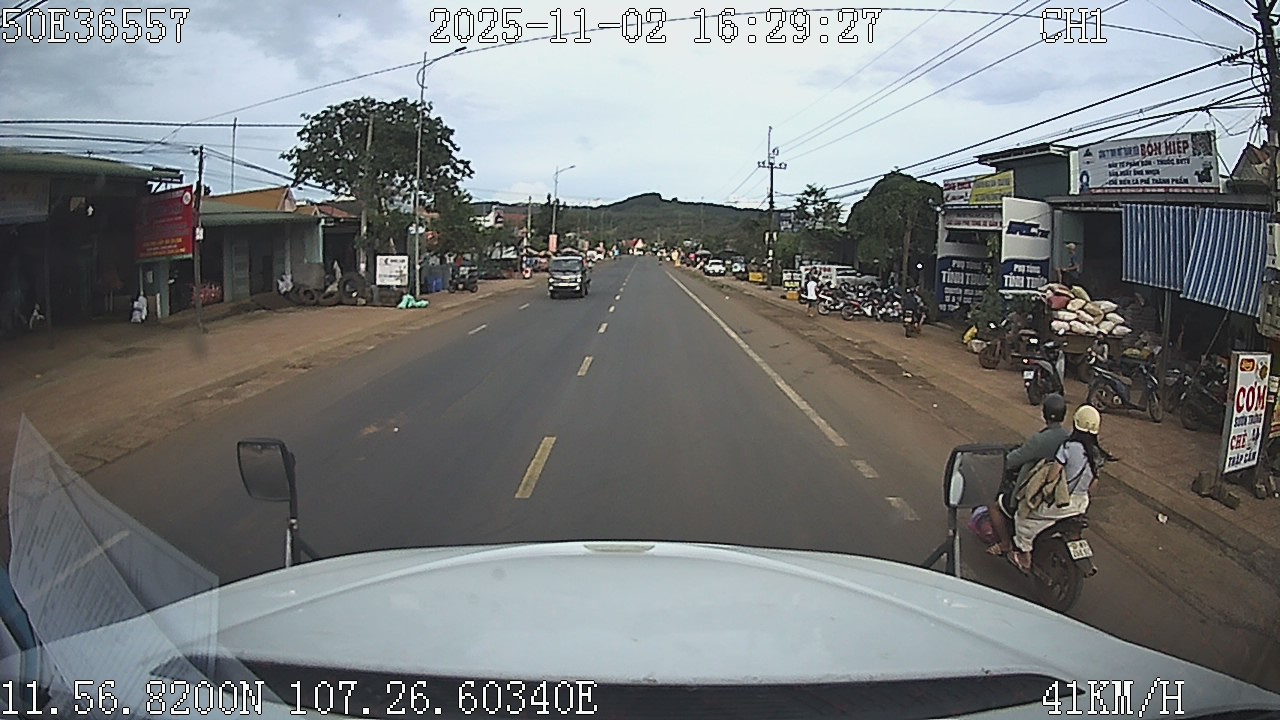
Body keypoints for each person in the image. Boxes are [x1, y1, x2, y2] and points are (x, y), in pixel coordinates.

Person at [1010, 405, 1106, 572]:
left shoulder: (1068, 447)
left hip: (1062, 503)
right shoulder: (1098, 454)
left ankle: (1025, 556)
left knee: (1023, 517)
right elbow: (1093, 486)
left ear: (1076, 423)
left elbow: (1052, 476)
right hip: (1081, 504)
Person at [986, 394, 1069, 557]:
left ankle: (1005, 543)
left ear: (1044, 414)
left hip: (1034, 493)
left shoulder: (1039, 440)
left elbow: (1012, 460)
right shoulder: (1067, 438)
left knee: (993, 505)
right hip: (1057, 493)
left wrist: (994, 462)